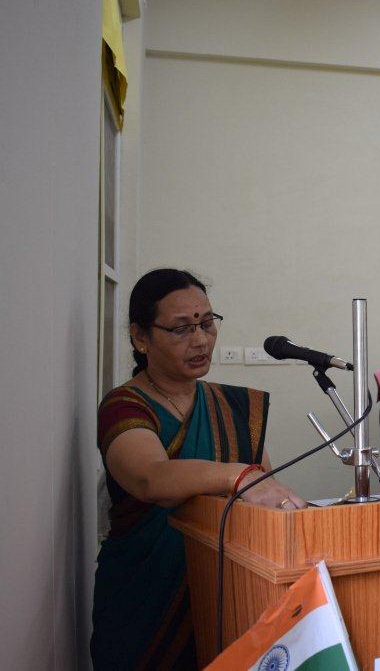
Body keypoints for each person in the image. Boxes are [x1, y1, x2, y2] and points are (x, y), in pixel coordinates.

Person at [91, 269, 307, 670]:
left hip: (227, 599)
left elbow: (263, 496)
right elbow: (150, 477)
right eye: (180, 329)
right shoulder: (124, 406)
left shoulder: (234, 408)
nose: (201, 340)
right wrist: (236, 476)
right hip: (145, 602)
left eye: (207, 323)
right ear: (141, 337)